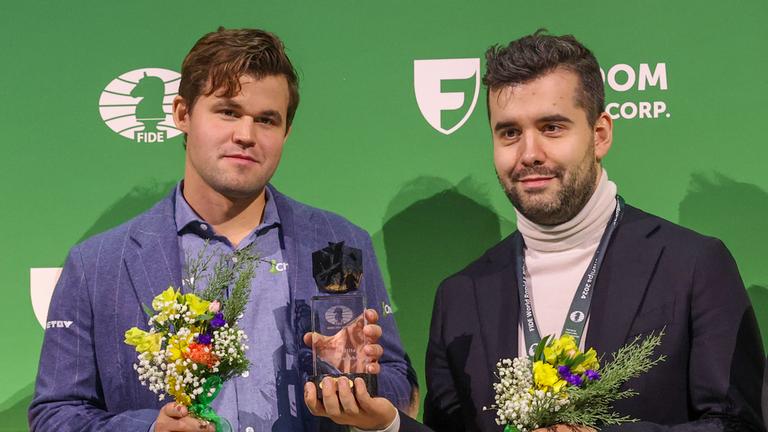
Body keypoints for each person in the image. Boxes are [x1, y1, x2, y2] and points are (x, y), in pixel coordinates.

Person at [29, 27, 411, 432]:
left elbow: (398, 384)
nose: (245, 135)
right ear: (182, 114)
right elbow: (56, 415)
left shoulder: (338, 243)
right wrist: (149, 430)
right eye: (228, 111)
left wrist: (358, 391)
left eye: (266, 120)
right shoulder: (99, 265)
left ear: (286, 132)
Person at [423, 31, 766, 431]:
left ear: (600, 134)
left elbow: (738, 425)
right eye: (510, 132)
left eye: (552, 127)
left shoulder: (693, 266)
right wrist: (386, 424)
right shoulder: (459, 297)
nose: (529, 153)